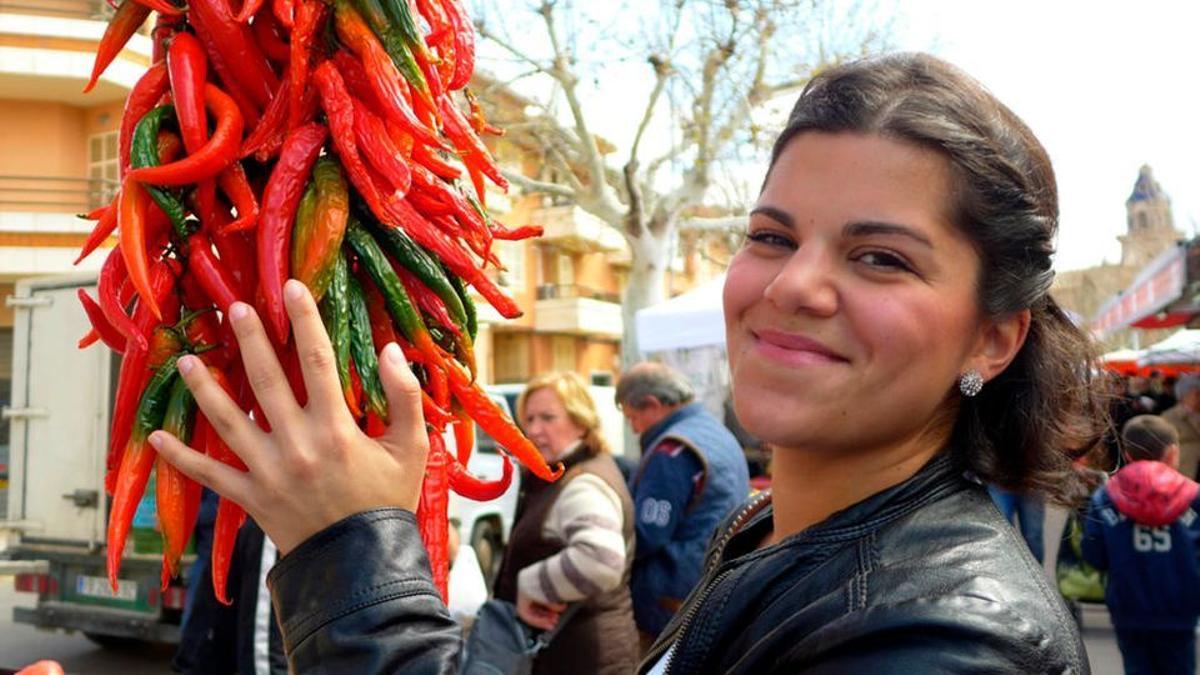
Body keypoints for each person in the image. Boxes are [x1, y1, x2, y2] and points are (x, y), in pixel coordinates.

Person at [151, 52, 1105, 672]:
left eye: (881, 257)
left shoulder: (944, 636)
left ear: (993, 336)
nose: (792, 285)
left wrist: (351, 554)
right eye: (772, 236)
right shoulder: (775, 534)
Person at [490, 371, 638, 674]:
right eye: (529, 419)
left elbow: (601, 560)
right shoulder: (568, 471)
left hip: (583, 658)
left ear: (581, 422)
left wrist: (530, 586)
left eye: (548, 418)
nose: (534, 429)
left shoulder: (583, 483)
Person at [615, 362, 750, 642]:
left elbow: (648, 534)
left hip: (669, 600)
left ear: (652, 404)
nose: (634, 429)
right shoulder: (715, 432)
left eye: (632, 418)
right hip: (711, 585)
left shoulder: (672, 451)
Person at [1081, 415, 1200, 675]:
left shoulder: (1106, 497)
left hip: (1128, 608)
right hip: (1180, 610)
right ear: (1172, 453)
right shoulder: (1194, 497)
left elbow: (1093, 554)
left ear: (1127, 454)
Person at [986, 485, 1046, 563]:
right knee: (1002, 530)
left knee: (1033, 536)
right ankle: (1009, 566)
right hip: (998, 483)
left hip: (1032, 484)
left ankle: (1035, 568)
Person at [1159, 374, 1200, 479]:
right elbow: (1163, 447)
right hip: (1185, 472)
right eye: (1197, 393)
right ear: (1184, 395)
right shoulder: (1169, 417)